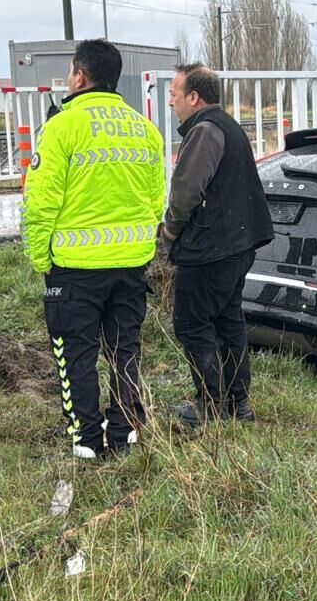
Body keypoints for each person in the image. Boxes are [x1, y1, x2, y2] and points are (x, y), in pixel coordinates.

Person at [22, 39, 164, 461]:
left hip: (74, 267)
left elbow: (39, 201)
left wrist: (40, 258)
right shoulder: (145, 129)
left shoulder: (62, 127)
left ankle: (85, 437)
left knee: (76, 353)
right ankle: (123, 430)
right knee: (125, 348)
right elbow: (156, 201)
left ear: (79, 76)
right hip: (132, 264)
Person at [160, 63, 272, 429]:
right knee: (227, 320)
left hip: (212, 246)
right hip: (239, 241)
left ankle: (209, 403)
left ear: (194, 97)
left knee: (191, 322)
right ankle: (238, 403)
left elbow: (185, 193)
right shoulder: (228, 126)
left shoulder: (204, 131)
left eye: (175, 94)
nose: (172, 101)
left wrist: (171, 232)